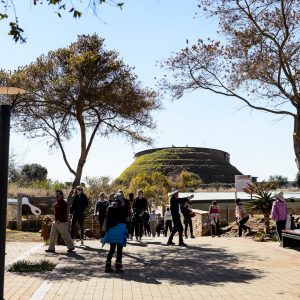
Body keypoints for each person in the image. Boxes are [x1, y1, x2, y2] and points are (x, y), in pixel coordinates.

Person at [103, 192, 128, 273]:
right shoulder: (123, 208)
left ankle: (107, 266)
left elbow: (106, 219)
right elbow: (126, 219)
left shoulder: (109, 207)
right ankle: (118, 266)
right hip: (120, 230)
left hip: (111, 230)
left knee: (112, 249)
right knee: (119, 248)